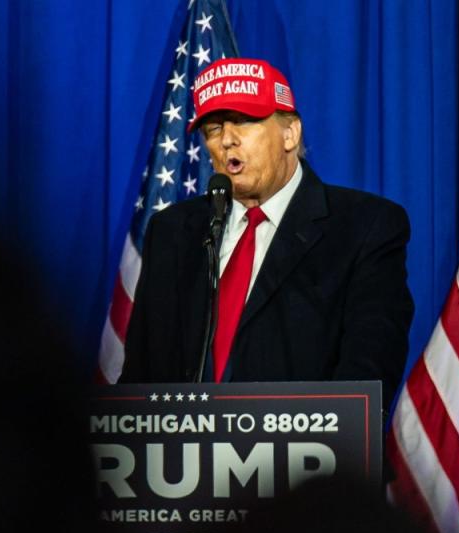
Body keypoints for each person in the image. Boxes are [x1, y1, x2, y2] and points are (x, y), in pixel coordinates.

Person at [121, 57, 413, 408]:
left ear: (290, 133)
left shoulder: (365, 227)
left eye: (243, 122)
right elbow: (139, 380)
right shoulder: (171, 232)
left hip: (304, 458)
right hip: (183, 459)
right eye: (213, 129)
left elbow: (368, 377)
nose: (227, 140)